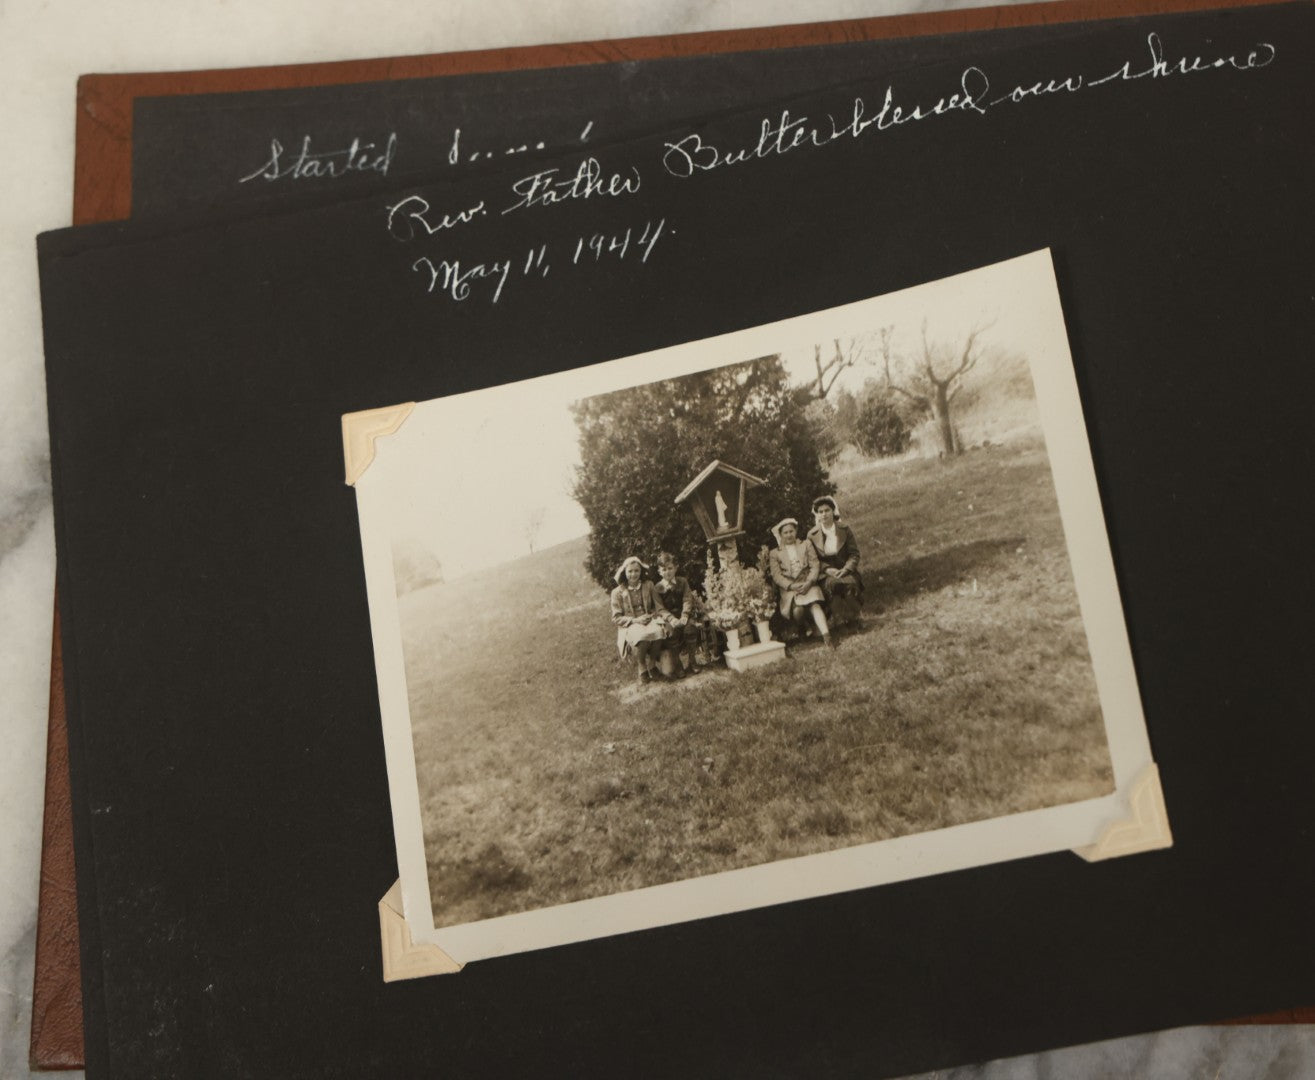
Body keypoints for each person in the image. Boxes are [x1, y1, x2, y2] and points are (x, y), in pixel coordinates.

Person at [768, 517, 833, 648]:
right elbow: (777, 576)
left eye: (791, 531)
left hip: (807, 583)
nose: (789, 535)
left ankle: (827, 637)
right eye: (785, 533)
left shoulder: (806, 544)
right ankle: (802, 627)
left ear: (796, 531)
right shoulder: (775, 553)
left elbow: (815, 565)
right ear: (780, 535)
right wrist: (791, 585)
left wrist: (809, 582)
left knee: (815, 605)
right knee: (798, 611)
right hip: (790, 590)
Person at [610, 556, 673, 685]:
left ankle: (652, 666)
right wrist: (636, 620)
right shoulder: (617, 592)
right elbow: (616, 618)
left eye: (636, 571)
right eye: (630, 571)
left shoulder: (648, 585)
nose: (634, 574)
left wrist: (652, 616)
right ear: (624, 573)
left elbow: (658, 606)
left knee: (659, 633)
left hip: (648, 619)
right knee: (642, 637)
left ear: (641, 571)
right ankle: (642, 668)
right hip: (631, 624)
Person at [807, 496, 863, 628]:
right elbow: (813, 560)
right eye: (820, 512)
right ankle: (841, 620)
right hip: (826, 573)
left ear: (833, 511)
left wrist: (846, 569)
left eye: (827, 510)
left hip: (845, 568)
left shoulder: (844, 529)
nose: (824, 514)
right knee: (833, 588)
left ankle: (857, 618)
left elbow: (854, 554)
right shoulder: (812, 535)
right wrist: (827, 569)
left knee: (849, 587)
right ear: (817, 515)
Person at [654, 551, 713, 676]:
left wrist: (685, 615)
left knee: (690, 629)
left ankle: (693, 662)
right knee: (671, 634)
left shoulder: (682, 582)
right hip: (669, 619)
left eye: (670, 568)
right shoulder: (657, 588)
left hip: (684, 616)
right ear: (659, 571)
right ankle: (678, 665)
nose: (667, 572)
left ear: (676, 568)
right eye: (664, 569)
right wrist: (671, 619)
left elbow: (687, 599)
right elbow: (660, 608)